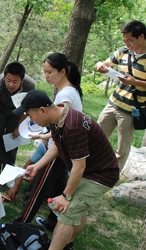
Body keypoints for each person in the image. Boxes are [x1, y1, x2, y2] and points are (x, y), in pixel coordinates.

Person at [14, 90, 119, 250]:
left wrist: (66, 196)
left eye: (30, 115)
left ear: (42, 110)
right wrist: (37, 165)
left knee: (67, 213)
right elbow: (56, 144)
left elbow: (79, 166)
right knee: (79, 211)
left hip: (100, 175)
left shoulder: (73, 126)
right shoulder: (58, 116)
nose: (30, 120)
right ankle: (67, 244)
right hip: (88, 171)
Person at [9, 53, 83, 232]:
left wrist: (47, 139)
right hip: (59, 146)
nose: (46, 76)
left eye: (50, 72)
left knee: (37, 188)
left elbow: (64, 127)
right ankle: (53, 221)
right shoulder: (67, 90)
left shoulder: (65, 95)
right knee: (57, 184)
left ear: (63, 72)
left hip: (59, 150)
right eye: (45, 72)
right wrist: (44, 137)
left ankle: (19, 224)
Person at [96, 20, 146, 171]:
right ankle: (89, 169)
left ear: (141, 36)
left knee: (121, 149)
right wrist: (100, 65)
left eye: (130, 40)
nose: (127, 44)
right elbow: (105, 63)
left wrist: (134, 81)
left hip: (131, 111)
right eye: (125, 41)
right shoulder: (123, 52)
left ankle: (111, 176)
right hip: (113, 103)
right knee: (96, 137)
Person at [0, 62, 35, 188]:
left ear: (22, 80)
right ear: (4, 78)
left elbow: (26, 108)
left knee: (12, 143)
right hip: (1, 112)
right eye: (8, 80)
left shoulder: (29, 85)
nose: (11, 84)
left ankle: (9, 173)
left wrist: (19, 127)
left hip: (17, 113)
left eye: (15, 81)